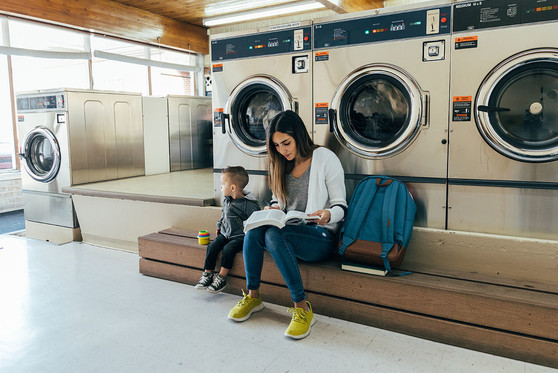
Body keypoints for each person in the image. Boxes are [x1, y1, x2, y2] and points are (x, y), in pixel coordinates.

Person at [227, 110, 347, 339]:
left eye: (286, 143)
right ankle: (253, 297)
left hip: (319, 236)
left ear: (299, 136)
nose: (283, 150)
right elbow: (278, 201)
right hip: (288, 232)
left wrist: (328, 214)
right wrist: (273, 209)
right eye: (277, 146)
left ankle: (302, 309)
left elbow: (342, 206)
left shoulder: (325, 158)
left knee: (274, 236)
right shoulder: (280, 163)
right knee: (254, 232)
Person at [195, 166, 260, 293]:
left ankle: (222, 277)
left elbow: (256, 220)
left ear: (233, 188)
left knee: (228, 249)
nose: (220, 187)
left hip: (239, 237)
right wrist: (219, 225)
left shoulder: (249, 205)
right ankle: (207, 274)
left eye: (223, 184)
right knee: (212, 246)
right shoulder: (227, 200)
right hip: (225, 233)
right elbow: (223, 214)